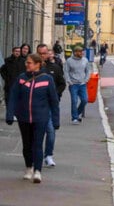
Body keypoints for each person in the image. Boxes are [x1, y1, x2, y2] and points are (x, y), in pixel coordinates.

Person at [6, 53, 60, 183]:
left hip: (40, 117)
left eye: (29, 63)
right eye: (26, 62)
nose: (26, 64)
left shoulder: (47, 79)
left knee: (37, 144)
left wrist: (56, 120)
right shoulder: (21, 78)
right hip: (24, 117)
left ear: (37, 64)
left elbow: (54, 101)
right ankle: (29, 168)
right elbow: (13, 97)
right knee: (26, 145)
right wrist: (10, 114)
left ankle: (37, 171)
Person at [36, 44, 66, 168]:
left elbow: (62, 84)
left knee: (51, 131)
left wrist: (55, 94)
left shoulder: (55, 68)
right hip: (35, 105)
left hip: (49, 105)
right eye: (40, 53)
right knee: (35, 133)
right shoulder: (32, 67)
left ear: (48, 54)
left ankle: (48, 155)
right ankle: (34, 155)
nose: (43, 56)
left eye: (44, 53)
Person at [65, 45, 91, 126]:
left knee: (85, 100)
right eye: (79, 52)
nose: (81, 53)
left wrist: (86, 80)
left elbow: (88, 71)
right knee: (74, 101)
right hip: (73, 84)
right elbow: (66, 71)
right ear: (75, 52)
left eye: (81, 52)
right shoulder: (69, 61)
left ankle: (77, 113)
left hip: (82, 84)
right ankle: (75, 118)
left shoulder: (85, 60)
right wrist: (69, 81)